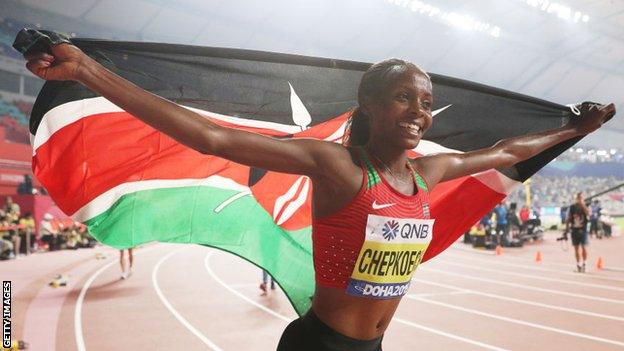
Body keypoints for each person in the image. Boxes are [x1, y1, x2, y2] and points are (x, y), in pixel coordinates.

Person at [24, 42, 616, 351]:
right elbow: (209, 135)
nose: (420, 112)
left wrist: (573, 131)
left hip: (372, 347)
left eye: (426, 101)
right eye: (405, 98)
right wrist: (87, 73)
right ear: (370, 107)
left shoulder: (429, 173)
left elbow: (509, 150)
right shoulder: (336, 167)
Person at [566, 192, 591, 273]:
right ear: (575, 199)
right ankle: (578, 265)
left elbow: (588, 214)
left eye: (581, 198)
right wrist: (566, 229)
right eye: (578, 198)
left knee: (584, 247)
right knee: (576, 248)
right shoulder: (572, 207)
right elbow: (568, 219)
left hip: (583, 230)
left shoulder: (585, 206)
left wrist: (583, 205)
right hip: (574, 230)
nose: (579, 199)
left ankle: (584, 264)